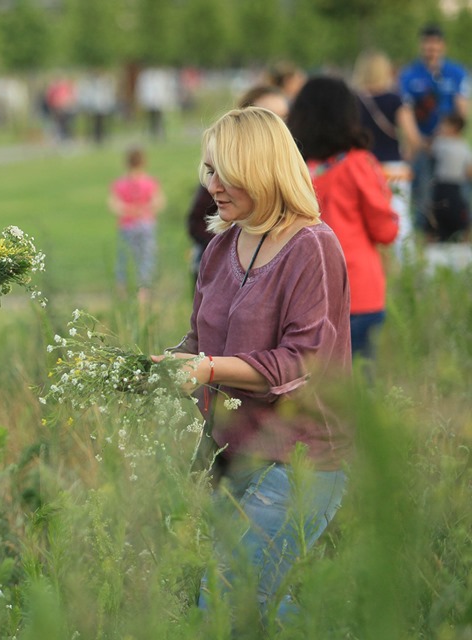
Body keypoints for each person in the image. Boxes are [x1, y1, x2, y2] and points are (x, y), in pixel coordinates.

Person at [152, 107, 351, 630]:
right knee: (269, 607)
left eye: (224, 171)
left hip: (301, 460)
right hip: (234, 456)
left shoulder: (313, 246)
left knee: (225, 599)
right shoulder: (221, 247)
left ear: (261, 168)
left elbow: (301, 361)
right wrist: (164, 366)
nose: (211, 185)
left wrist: (208, 370)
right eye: (208, 171)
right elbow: (201, 340)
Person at [288, 76, 399, 360]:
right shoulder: (358, 164)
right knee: (359, 389)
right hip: (359, 292)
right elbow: (385, 231)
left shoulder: (293, 169)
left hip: (305, 296)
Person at [185, 86, 290, 292]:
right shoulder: (222, 245)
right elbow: (197, 221)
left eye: (284, 116)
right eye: (267, 115)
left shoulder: (307, 245)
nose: (279, 125)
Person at [400, 23, 470, 235]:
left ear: (442, 45)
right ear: (422, 45)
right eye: (428, 44)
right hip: (422, 142)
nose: (431, 49)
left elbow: (462, 109)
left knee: (457, 186)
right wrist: (417, 141)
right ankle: (423, 231)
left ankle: (461, 228)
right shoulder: (410, 75)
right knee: (422, 187)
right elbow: (405, 111)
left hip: (448, 141)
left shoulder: (456, 72)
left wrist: (448, 133)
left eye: (435, 44)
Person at [353, 49, 423, 257]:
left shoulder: (352, 100)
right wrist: (408, 153)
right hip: (393, 168)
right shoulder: (396, 99)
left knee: (363, 220)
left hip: (363, 166)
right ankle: (406, 264)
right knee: (400, 219)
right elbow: (412, 136)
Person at [108, 147, 165, 304]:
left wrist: (128, 210)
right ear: (144, 162)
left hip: (127, 226)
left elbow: (114, 205)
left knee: (125, 257)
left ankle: (122, 290)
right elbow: (158, 202)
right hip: (146, 224)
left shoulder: (120, 184)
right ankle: (143, 291)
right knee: (146, 257)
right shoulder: (149, 182)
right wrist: (144, 209)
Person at [428, 113, 472, 242]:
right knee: (439, 218)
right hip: (444, 186)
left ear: (454, 127)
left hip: (453, 187)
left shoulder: (441, 143)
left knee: (456, 219)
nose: (441, 127)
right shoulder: (460, 146)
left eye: (445, 125)